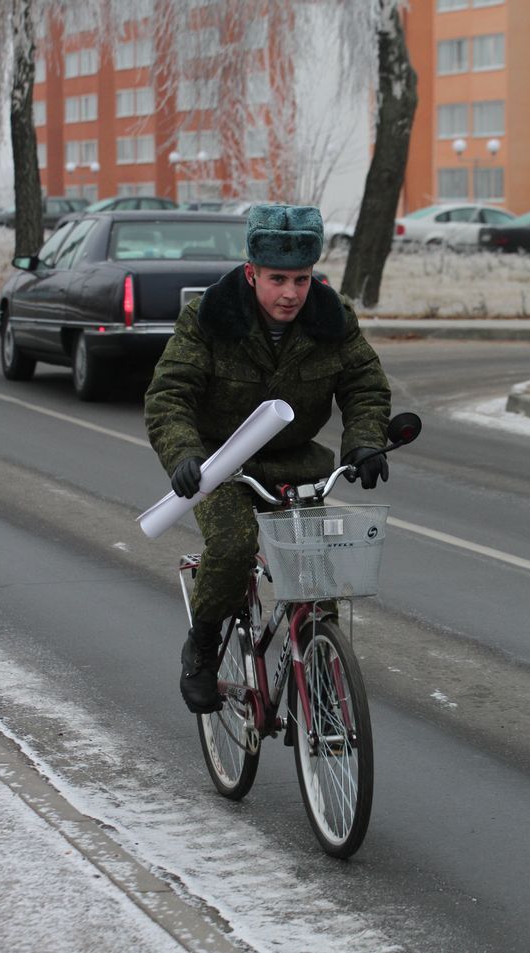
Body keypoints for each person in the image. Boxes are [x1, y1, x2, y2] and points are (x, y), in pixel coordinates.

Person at [145, 204, 391, 714]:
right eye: (277, 279)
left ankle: (322, 681)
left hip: (298, 461)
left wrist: (365, 440)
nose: (291, 293)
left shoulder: (332, 318)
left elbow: (364, 384)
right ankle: (203, 645)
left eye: (301, 279)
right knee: (234, 546)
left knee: (315, 575)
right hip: (223, 463)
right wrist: (185, 455)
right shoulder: (209, 319)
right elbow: (170, 395)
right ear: (252, 272)